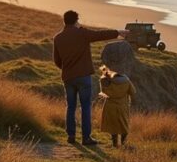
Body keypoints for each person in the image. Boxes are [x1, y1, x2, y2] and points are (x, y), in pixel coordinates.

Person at [53, 10, 129, 145]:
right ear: (76, 21)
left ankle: (71, 136)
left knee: (70, 107)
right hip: (83, 76)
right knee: (85, 107)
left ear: (65, 21)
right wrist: (118, 32)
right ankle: (86, 138)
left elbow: (57, 61)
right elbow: (99, 35)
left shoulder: (58, 38)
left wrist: (67, 69)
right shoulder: (82, 33)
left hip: (68, 77)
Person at [98, 41, 137, 148]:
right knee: (124, 124)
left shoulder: (104, 80)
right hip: (122, 105)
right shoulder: (126, 81)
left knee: (113, 125)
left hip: (110, 105)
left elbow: (103, 92)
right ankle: (123, 143)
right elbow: (133, 92)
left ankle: (115, 143)